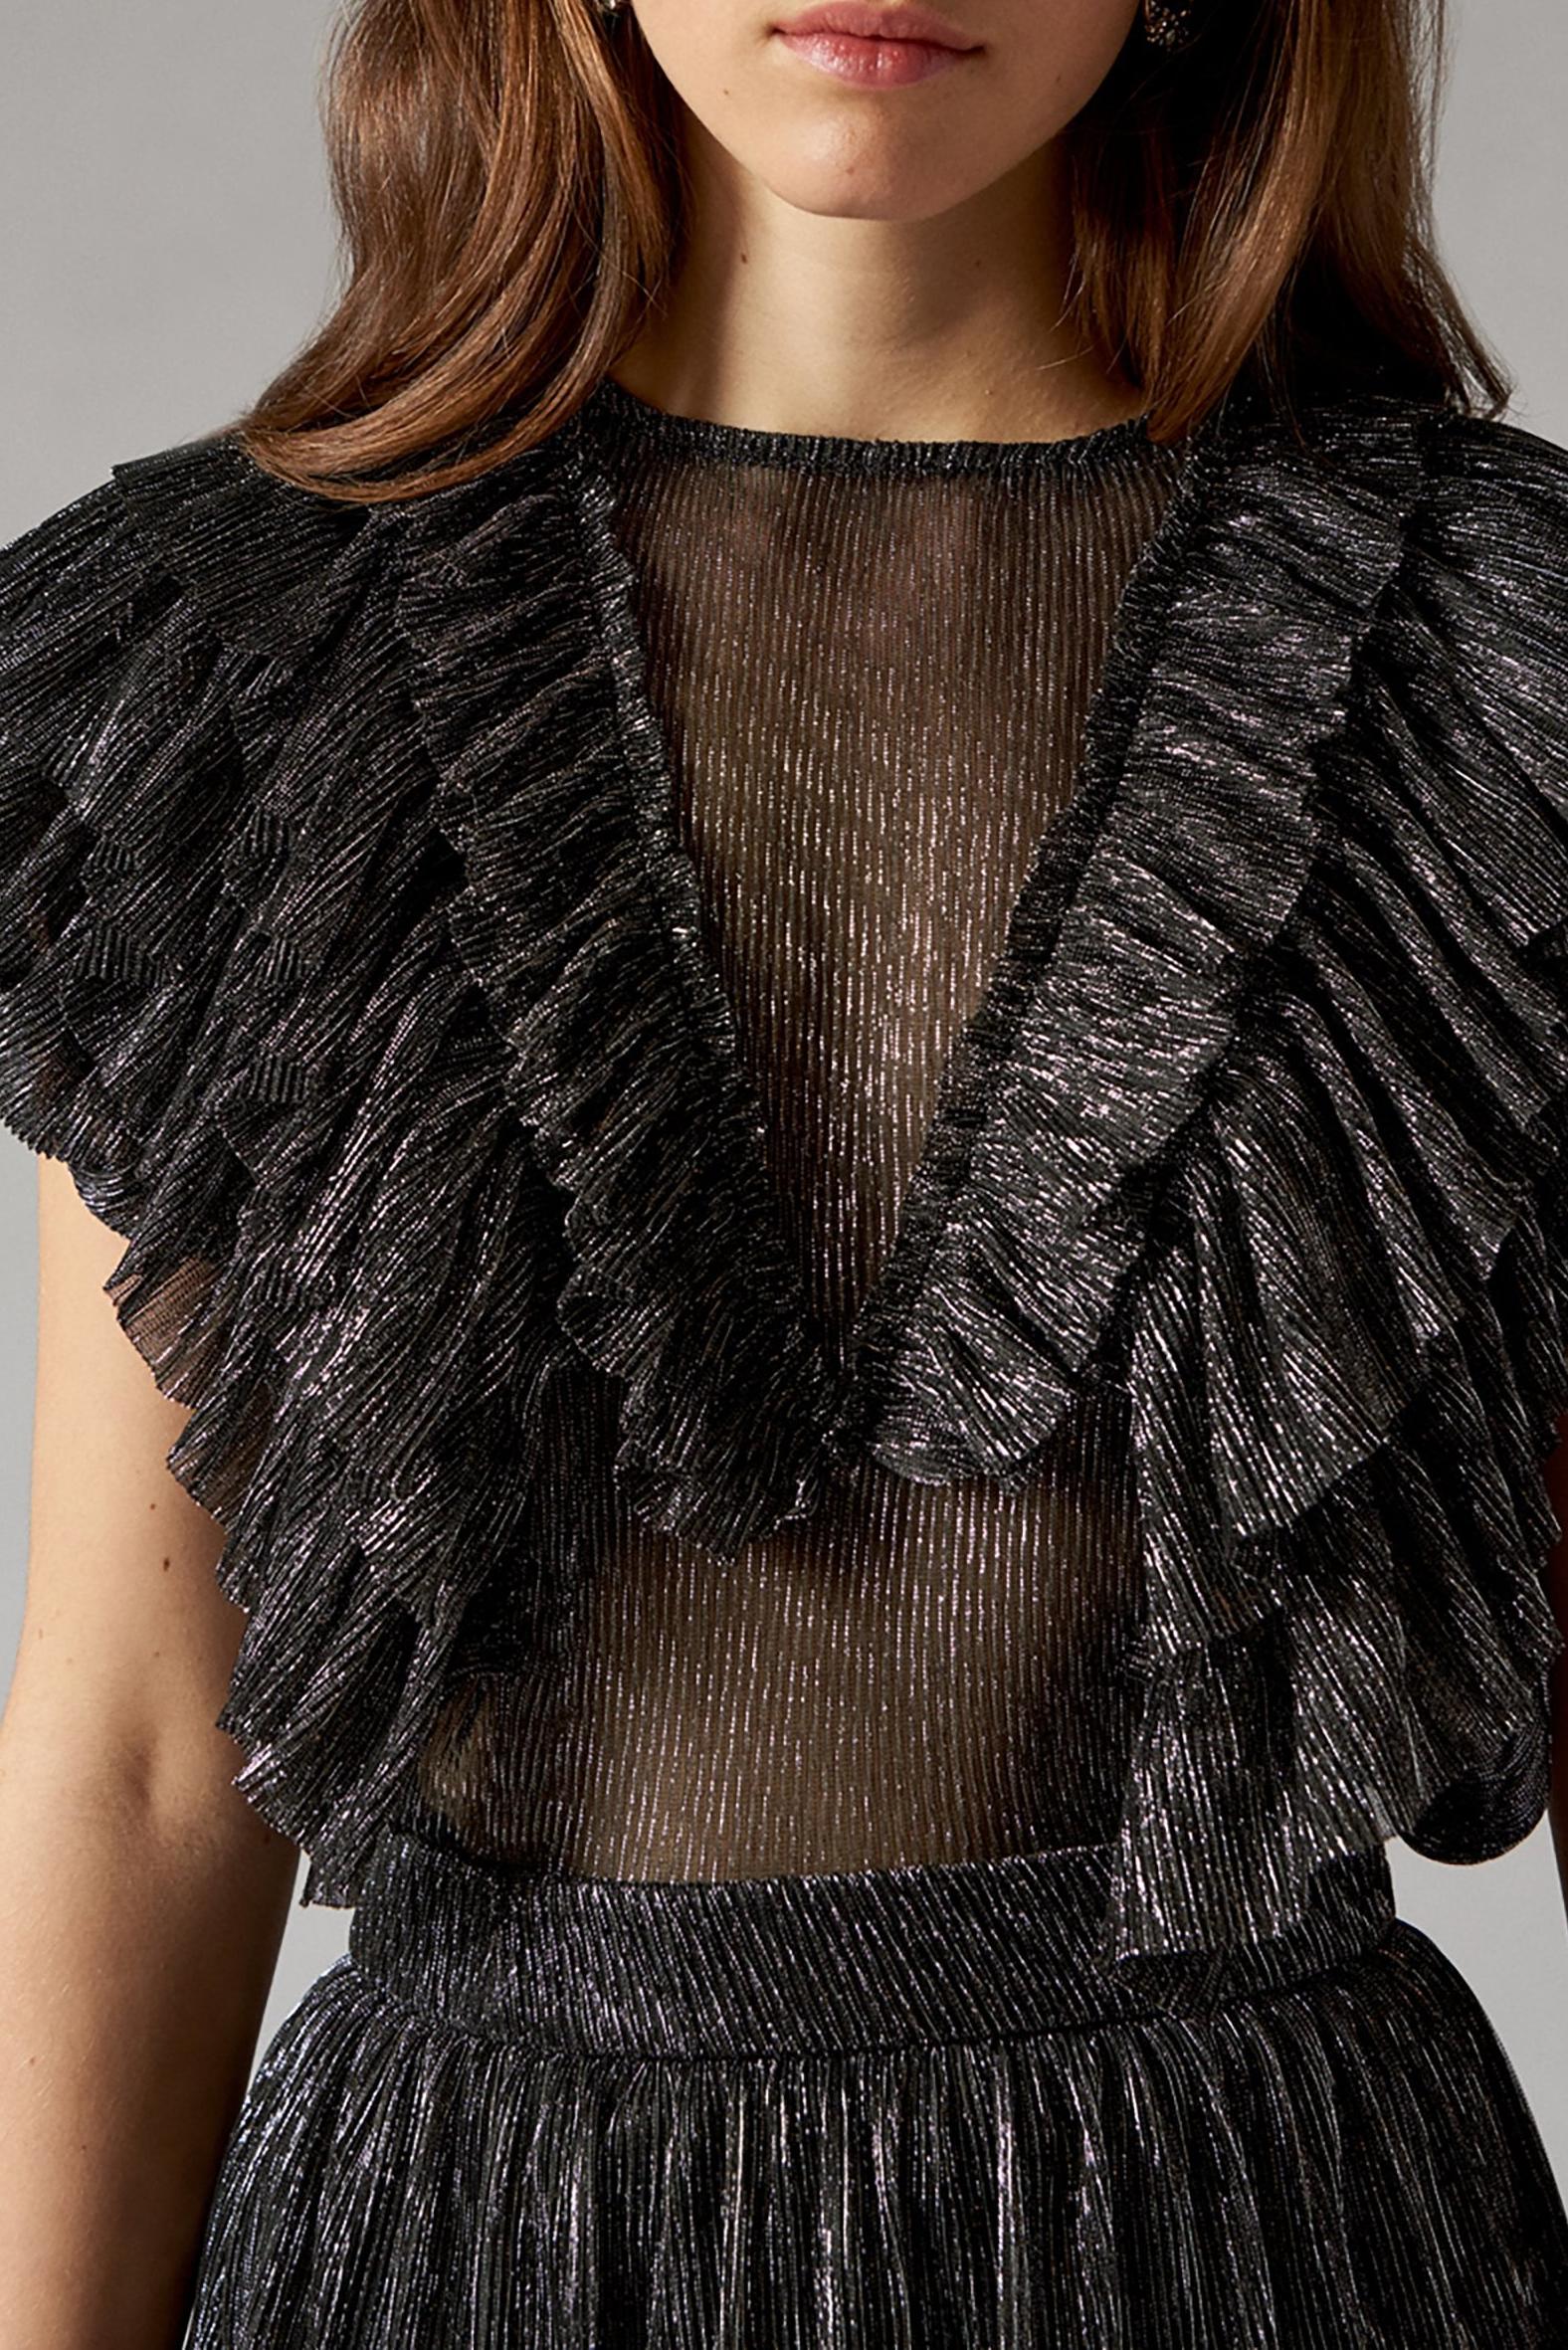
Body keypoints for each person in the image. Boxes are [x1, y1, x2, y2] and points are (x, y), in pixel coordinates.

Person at [1, 0, 1566, 2340]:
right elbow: (141, 1753)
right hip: (478, 2258)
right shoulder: (225, 666)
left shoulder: (1495, 666)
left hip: (1263, 2241)